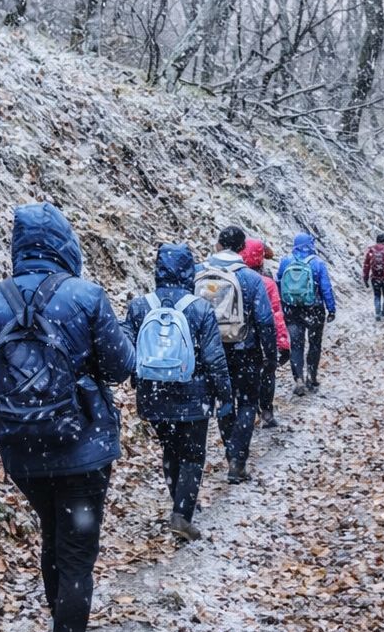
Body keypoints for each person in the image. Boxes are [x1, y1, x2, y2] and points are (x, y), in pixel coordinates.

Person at [0, 202, 135, 632]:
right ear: (66, 242)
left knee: (52, 541)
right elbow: (121, 367)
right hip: (83, 449)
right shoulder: (86, 296)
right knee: (77, 554)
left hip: (24, 451)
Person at [124, 244, 232, 542]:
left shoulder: (139, 306)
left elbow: (126, 349)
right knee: (193, 455)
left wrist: (138, 382)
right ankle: (182, 515)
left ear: (158, 269)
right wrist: (224, 392)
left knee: (171, 449)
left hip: (153, 394)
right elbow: (213, 357)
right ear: (189, 271)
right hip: (192, 394)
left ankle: (179, 502)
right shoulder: (199, 307)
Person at [198, 226, 277, 483]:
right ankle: (238, 459)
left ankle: (230, 449)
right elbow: (265, 320)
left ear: (218, 245)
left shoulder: (200, 274)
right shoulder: (251, 279)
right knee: (247, 402)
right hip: (246, 348)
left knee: (224, 401)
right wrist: (271, 353)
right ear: (243, 249)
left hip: (212, 350)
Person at [277, 232, 337, 395]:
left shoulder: (286, 261)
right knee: (314, 344)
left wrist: (282, 306)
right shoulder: (317, 263)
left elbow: (279, 283)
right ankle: (312, 377)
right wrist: (331, 308)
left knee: (296, 345)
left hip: (292, 309)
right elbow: (325, 288)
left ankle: (298, 379)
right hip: (314, 309)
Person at [240, 237, 291, 428]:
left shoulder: (234, 279)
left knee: (245, 375)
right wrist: (283, 343)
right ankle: (266, 411)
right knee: (268, 372)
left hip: (238, 338)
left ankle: (247, 410)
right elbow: (276, 314)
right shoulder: (267, 282)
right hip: (262, 337)